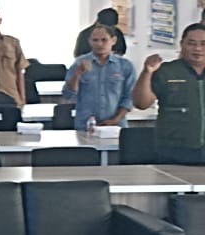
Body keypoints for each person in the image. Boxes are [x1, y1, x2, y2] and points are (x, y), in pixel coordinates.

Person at [132, 22, 205, 164]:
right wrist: (147, 72)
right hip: (174, 150)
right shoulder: (166, 71)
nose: (198, 49)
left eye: (203, 44)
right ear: (182, 44)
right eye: (191, 43)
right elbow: (141, 103)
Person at [63, 23, 137, 131]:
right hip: (86, 125)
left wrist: (116, 119)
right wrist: (78, 74)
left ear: (113, 40)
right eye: (95, 40)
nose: (99, 44)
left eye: (104, 40)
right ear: (90, 41)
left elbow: (130, 97)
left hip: (116, 126)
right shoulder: (80, 63)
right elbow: (68, 95)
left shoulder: (125, 66)